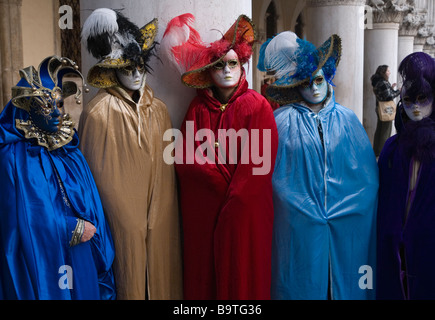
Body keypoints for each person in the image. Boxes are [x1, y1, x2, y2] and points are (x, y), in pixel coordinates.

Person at [162, 13, 278, 300]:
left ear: (242, 65)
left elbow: (258, 166)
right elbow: (187, 160)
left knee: (244, 274)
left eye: (232, 63)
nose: (226, 70)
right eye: (219, 65)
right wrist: (218, 187)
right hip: (206, 211)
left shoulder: (257, 107)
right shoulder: (197, 110)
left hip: (246, 214)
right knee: (206, 278)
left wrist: (234, 201)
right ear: (208, 72)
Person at [258, 31, 379, 300]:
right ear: (295, 86)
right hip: (296, 225)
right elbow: (272, 176)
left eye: (319, 80)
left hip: (346, 225)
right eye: (306, 83)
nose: (314, 88)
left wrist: (347, 208)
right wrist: (297, 206)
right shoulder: (280, 122)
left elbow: (367, 179)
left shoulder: (348, 121)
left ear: (328, 79)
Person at [79, 8, 183, 300]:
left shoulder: (159, 109)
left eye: (139, 67)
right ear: (112, 70)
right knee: (127, 273)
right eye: (127, 68)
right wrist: (124, 216)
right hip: (120, 220)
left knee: (162, 272)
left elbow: (167, 170)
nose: (136, 74)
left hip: (160, 214)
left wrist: (159, 211)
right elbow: (92, 178)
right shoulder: (98, 113)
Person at [0, 55, 116, 300]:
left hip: (82, 251)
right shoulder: (12, 157)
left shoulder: (70, 149)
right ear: (28, 108)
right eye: (45, 106)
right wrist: (68, 228)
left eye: (59, 104)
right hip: (42, 259)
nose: (55, 112)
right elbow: (16, 220)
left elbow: (91, 201)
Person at [377, 52, 435, 300]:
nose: (416, 106)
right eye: (409, 100)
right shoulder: (392, 147)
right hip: (396, 242)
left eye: (423, 98)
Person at [371, 65, 401, 157]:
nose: (389, 72)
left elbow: (384, 93)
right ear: (383, 72)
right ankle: (383, 152)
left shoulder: (377, 82)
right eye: (388, 71)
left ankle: (376, 150)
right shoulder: (383, 82)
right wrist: (399, 91)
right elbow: (388, 96)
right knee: (386, 130)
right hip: (386, 109)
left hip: (380, 107)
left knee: (380, 129)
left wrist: (391, 88)